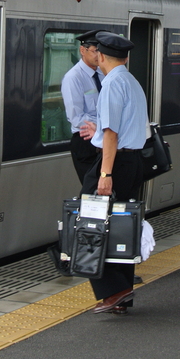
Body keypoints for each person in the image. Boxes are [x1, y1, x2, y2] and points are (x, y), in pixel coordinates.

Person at [81, 31, 149, 315]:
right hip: (132, 162)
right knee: (122, 224)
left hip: (116, 163)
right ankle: (121, 292)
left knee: (93, 222)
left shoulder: (111, 84)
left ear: (100, 55)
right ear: (126, 57)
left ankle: (113, 290)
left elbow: (111, 133)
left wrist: (105, 174)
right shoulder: (131, 81)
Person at [61, 29, 104, 184]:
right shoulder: (73, 78)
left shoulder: (103, 74)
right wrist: (102, 127)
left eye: (101, 51)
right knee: (93, 189)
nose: (99, 55)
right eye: (95, 51)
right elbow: (76, 117)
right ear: (82, 50)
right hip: (86, 141)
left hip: (104, 138)